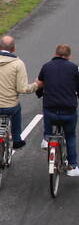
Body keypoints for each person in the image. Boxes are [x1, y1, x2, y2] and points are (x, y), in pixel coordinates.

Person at [0, 35, 37, 169]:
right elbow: (22, 88)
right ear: (14, 48)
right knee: (17, 113)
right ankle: (16, 140)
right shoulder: (18, 64)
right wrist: (36, 85)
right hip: (10, 105)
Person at [36, 44, 79, 176]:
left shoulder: (46, 66)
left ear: (55, 54)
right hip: (68, 111)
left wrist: (39, 93)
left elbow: (40, 84)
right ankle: (72, 166)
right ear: (68, 56)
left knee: (48, 114)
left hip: (51, 109)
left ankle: (47, 138)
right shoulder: (74, 68)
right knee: (70, 136)